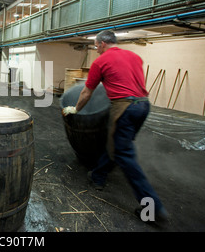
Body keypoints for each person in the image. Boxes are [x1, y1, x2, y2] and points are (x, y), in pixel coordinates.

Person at [62, 30, 168, 224]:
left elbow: (86, 93)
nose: (95, 48)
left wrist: (74, 109)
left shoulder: (100, 62)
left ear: (102, 44)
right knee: (118, 145)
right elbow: (128, 81)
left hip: (125, 108)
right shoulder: (134, 56)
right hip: (143, 105)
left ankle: (152, 208)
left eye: (95, 45)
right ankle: (99, 175)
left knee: (125, 155)